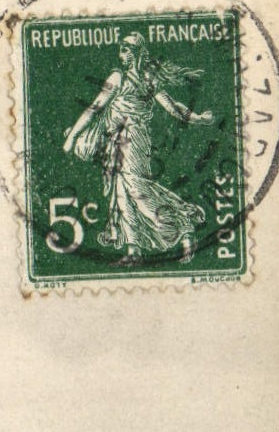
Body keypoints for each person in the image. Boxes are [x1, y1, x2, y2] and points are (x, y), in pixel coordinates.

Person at [63, 33, 212, 261]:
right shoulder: (118, 77)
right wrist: (73, 135)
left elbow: (173, 107)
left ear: (135, 53)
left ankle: (183, 225)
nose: (121, 54)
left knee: (136, 190)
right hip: (115, 141)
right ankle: (134, 250)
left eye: (125, 50)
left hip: (134, 140)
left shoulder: (144, 79)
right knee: (121, 193)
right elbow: (96, 107)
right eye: (121, 49)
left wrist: (199, 118)